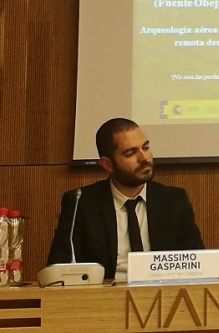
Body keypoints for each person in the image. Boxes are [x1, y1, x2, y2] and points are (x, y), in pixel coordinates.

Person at [46, 118, 204, 281]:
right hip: (104, 299)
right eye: (130, 153)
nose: (144, 158)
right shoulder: (82, 203)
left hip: (162, 296)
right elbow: (60, 269)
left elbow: (198, 264)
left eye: (146, 147)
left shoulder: (174, 201)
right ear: (107, 164)